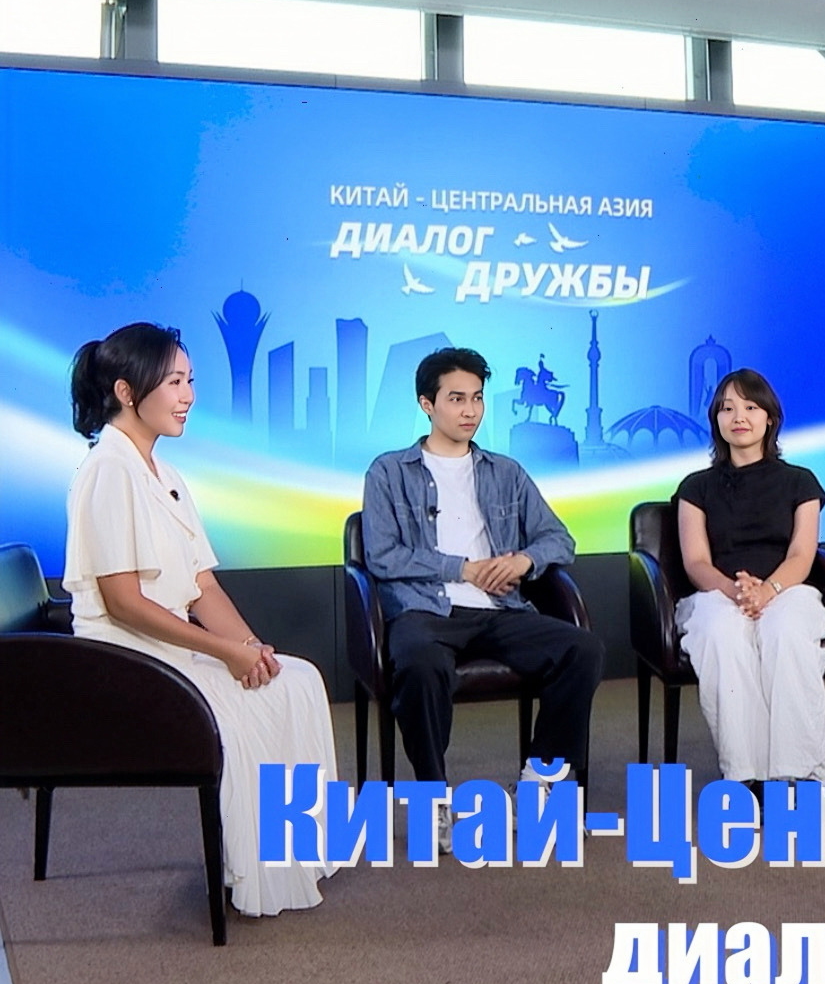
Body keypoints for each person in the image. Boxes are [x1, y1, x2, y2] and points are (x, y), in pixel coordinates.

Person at [64, 323, 337, 917]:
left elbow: (202, 585)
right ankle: (256, 874)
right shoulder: (108, 470)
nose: (188, 396)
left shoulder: (165, 475)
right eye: (174, 382)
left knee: (297, 681)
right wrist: (224, 653)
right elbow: (123, 602)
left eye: (190, 381)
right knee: (250, 712)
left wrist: (249, 647)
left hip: (168, 650)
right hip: (125, 661)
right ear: (127, 392)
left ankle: (298, 857)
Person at [360, 347, 604, 850]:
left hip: (499, 610)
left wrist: (523, 561)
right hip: (425, 610)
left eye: (477, 398)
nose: (470, 410)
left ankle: (539, 785)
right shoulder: (388, 472)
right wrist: (463, 568)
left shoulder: (505, 471)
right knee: (420, 665)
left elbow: (559, 539)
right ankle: (433, 799)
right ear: (427, 404)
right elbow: (381, 555)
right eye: (456, 399)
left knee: (582, 649)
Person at [673, 369, 825, 787]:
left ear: (770, 418)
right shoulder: (695, 487)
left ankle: (802, 773)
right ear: (716, 420)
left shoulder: (800, 482)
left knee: (785, 633)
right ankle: (745, 776)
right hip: (718, 591)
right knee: (721, 635)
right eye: (727, 408)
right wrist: (735, 590)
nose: (738, 417)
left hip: (787, 588)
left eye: (749, 407)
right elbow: (696, 561)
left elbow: (802, 554)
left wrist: (767, 590)